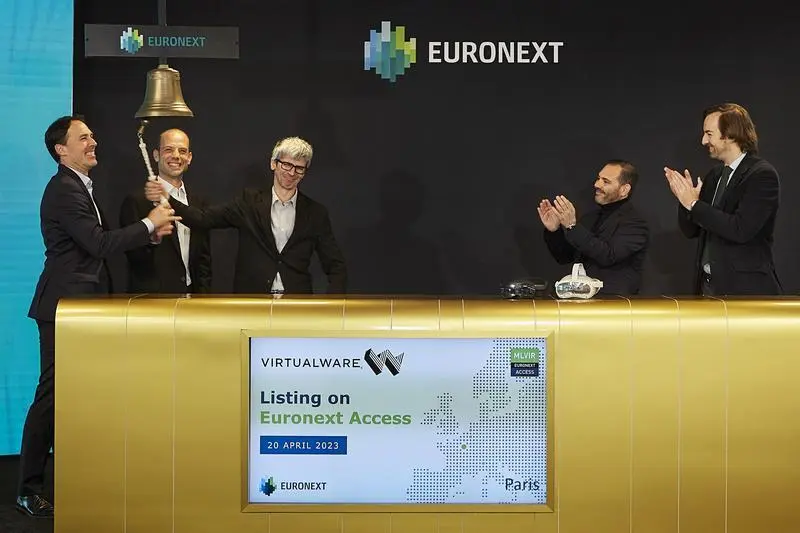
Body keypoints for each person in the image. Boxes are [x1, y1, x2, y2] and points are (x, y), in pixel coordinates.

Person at [18, 115, 178, 518]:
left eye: (92, 136)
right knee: (51, 397)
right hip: (63, 308)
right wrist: (150, 222)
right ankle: (28, 489)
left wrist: (149, 233)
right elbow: (99, 244)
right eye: (83, 137)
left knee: (79, 396)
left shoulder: (79, 187)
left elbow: (98, 245)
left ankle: (77, 477)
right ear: (61, 150)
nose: (93, 142)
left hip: (84, 309)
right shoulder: (63, 190)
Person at [145, 136, 346, 294]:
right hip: (252, 302)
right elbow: (202, 218)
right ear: (273, 164)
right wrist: (168, 198)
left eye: (299, 168)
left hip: (297, 304)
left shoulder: (315, 212)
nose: (291, 173)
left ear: (305, 171)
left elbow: (336, 265)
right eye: (286, 165)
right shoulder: (248, 202)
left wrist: (333, 306)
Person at [664, 102, 781, 295]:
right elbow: (691, 231)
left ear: (730, 135)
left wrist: (693, 203)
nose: (703, 141)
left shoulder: (761, 175)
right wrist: (685, 201)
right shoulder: (715, 175)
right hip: (708, 287)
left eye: (709, 134)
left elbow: (740, 229)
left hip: (745, 291)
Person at [120, 128, 212, 294]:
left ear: (189, 158)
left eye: (182, 151)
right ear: (156, 155)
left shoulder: (198, 202)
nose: (176, 156)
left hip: (193, 298)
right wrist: (153, 239)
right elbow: (132, 255)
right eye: (169, 149)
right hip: (154, 300)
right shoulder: (137, 201)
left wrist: (203, 297)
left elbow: (203, 258)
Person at [537, 159, 649, 295]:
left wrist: (572, 226)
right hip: (581, 298)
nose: (597, 184)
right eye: (598, 179)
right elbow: (564, 257)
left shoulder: (635, 224)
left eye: (606, 181)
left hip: (615, 302)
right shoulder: (589, 218)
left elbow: (608, 256)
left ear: (624, 190)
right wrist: (554, 231)